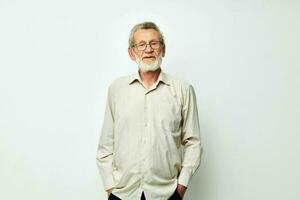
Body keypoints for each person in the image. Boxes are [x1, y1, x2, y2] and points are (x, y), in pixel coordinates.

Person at [96, 21, 201, 200]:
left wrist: (180, 188)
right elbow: (106, 145)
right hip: (123, 194)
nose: (148, 49)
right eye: (141, 44)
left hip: (166, 194)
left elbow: (193, 143)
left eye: (154, 43)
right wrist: (110, 189)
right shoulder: (117, 89)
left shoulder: (183, 89)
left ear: (163, 49)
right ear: (131, 52)